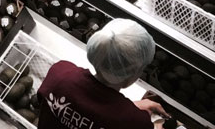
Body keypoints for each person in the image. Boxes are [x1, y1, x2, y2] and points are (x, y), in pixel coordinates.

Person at [37, 19, 167, 129]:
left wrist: (131, 109)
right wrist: (157, 123)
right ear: (132, 75)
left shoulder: (61, 73)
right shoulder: (135, 123)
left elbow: (88, 109)